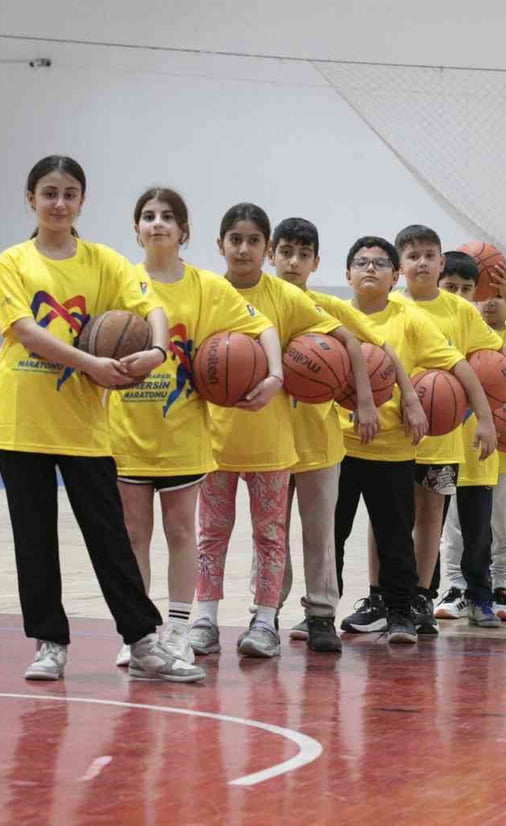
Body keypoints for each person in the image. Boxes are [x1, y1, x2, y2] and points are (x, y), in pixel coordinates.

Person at [0, 155, 202, 683]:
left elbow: (150, 305)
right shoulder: (12, 261)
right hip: (23, 420)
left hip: (84, 426)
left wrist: (156, 349)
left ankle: (144, 641)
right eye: (48, 193)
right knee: (33, 538)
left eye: (68, 193)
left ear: (82, 201)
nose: (59, 203)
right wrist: (93, 365)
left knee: (109, 537)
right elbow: (26, 331)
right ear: (30, 199)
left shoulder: (105, 262)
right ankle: (49, 643)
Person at [190, 203, 377, 660]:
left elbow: (353, 341)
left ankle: (295, 618)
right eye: (236, 239)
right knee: (219, 535)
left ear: (265, 249)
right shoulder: (204, 293)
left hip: (287, 443)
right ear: (220, 245)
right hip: (218, 440)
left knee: (292, 536)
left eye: (254, 241)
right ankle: (229, 617)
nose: (244, 248)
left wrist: (367, 400)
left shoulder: (293, 300)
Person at [109, 188, 273, 668]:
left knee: (182, 533)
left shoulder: (205, 286)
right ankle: (138, 633)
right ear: (136, 228)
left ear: (184, 231)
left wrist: (274, 376)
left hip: (183, 431)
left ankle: (180, 631)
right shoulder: (120, 280)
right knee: (134, 535)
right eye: (147, 216)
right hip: (125, 431)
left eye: (167, 217)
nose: (157, 223)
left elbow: (261, 327)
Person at [270, 217, 409, 651]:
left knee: (321, 536)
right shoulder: (254, 304)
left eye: (303, 255)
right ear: (272, 254)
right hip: (266, 441)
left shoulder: (329, 309)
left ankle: (321, 616)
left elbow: (381, 351)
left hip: (318, 441)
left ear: (315, 262)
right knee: (271, 535)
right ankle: (265, 611)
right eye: (286, 252)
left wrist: (385, 400)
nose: (293, 262)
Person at [395, 225, 506, 634]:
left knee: (464, 524)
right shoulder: (392, 307)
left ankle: (456, 596)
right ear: (401, 263)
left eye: (430, 255)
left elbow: (501, 359)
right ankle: (400, 596)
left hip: (455, 439)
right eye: (413, 255)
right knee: (397, 521)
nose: (422, 262)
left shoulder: (462, 313)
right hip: (396, 436)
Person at [334, 236, 447, 642]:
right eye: (360, 262)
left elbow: (452, 364)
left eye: (380, 263)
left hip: (394, 446)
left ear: (395, 274)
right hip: (338, 446)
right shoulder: (331, 316)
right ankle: (320, 612)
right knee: (331, 535)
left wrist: (417, 400)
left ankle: (400, 612)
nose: (369, 268)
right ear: (346, 274)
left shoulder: (410, 319)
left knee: (396, 536)